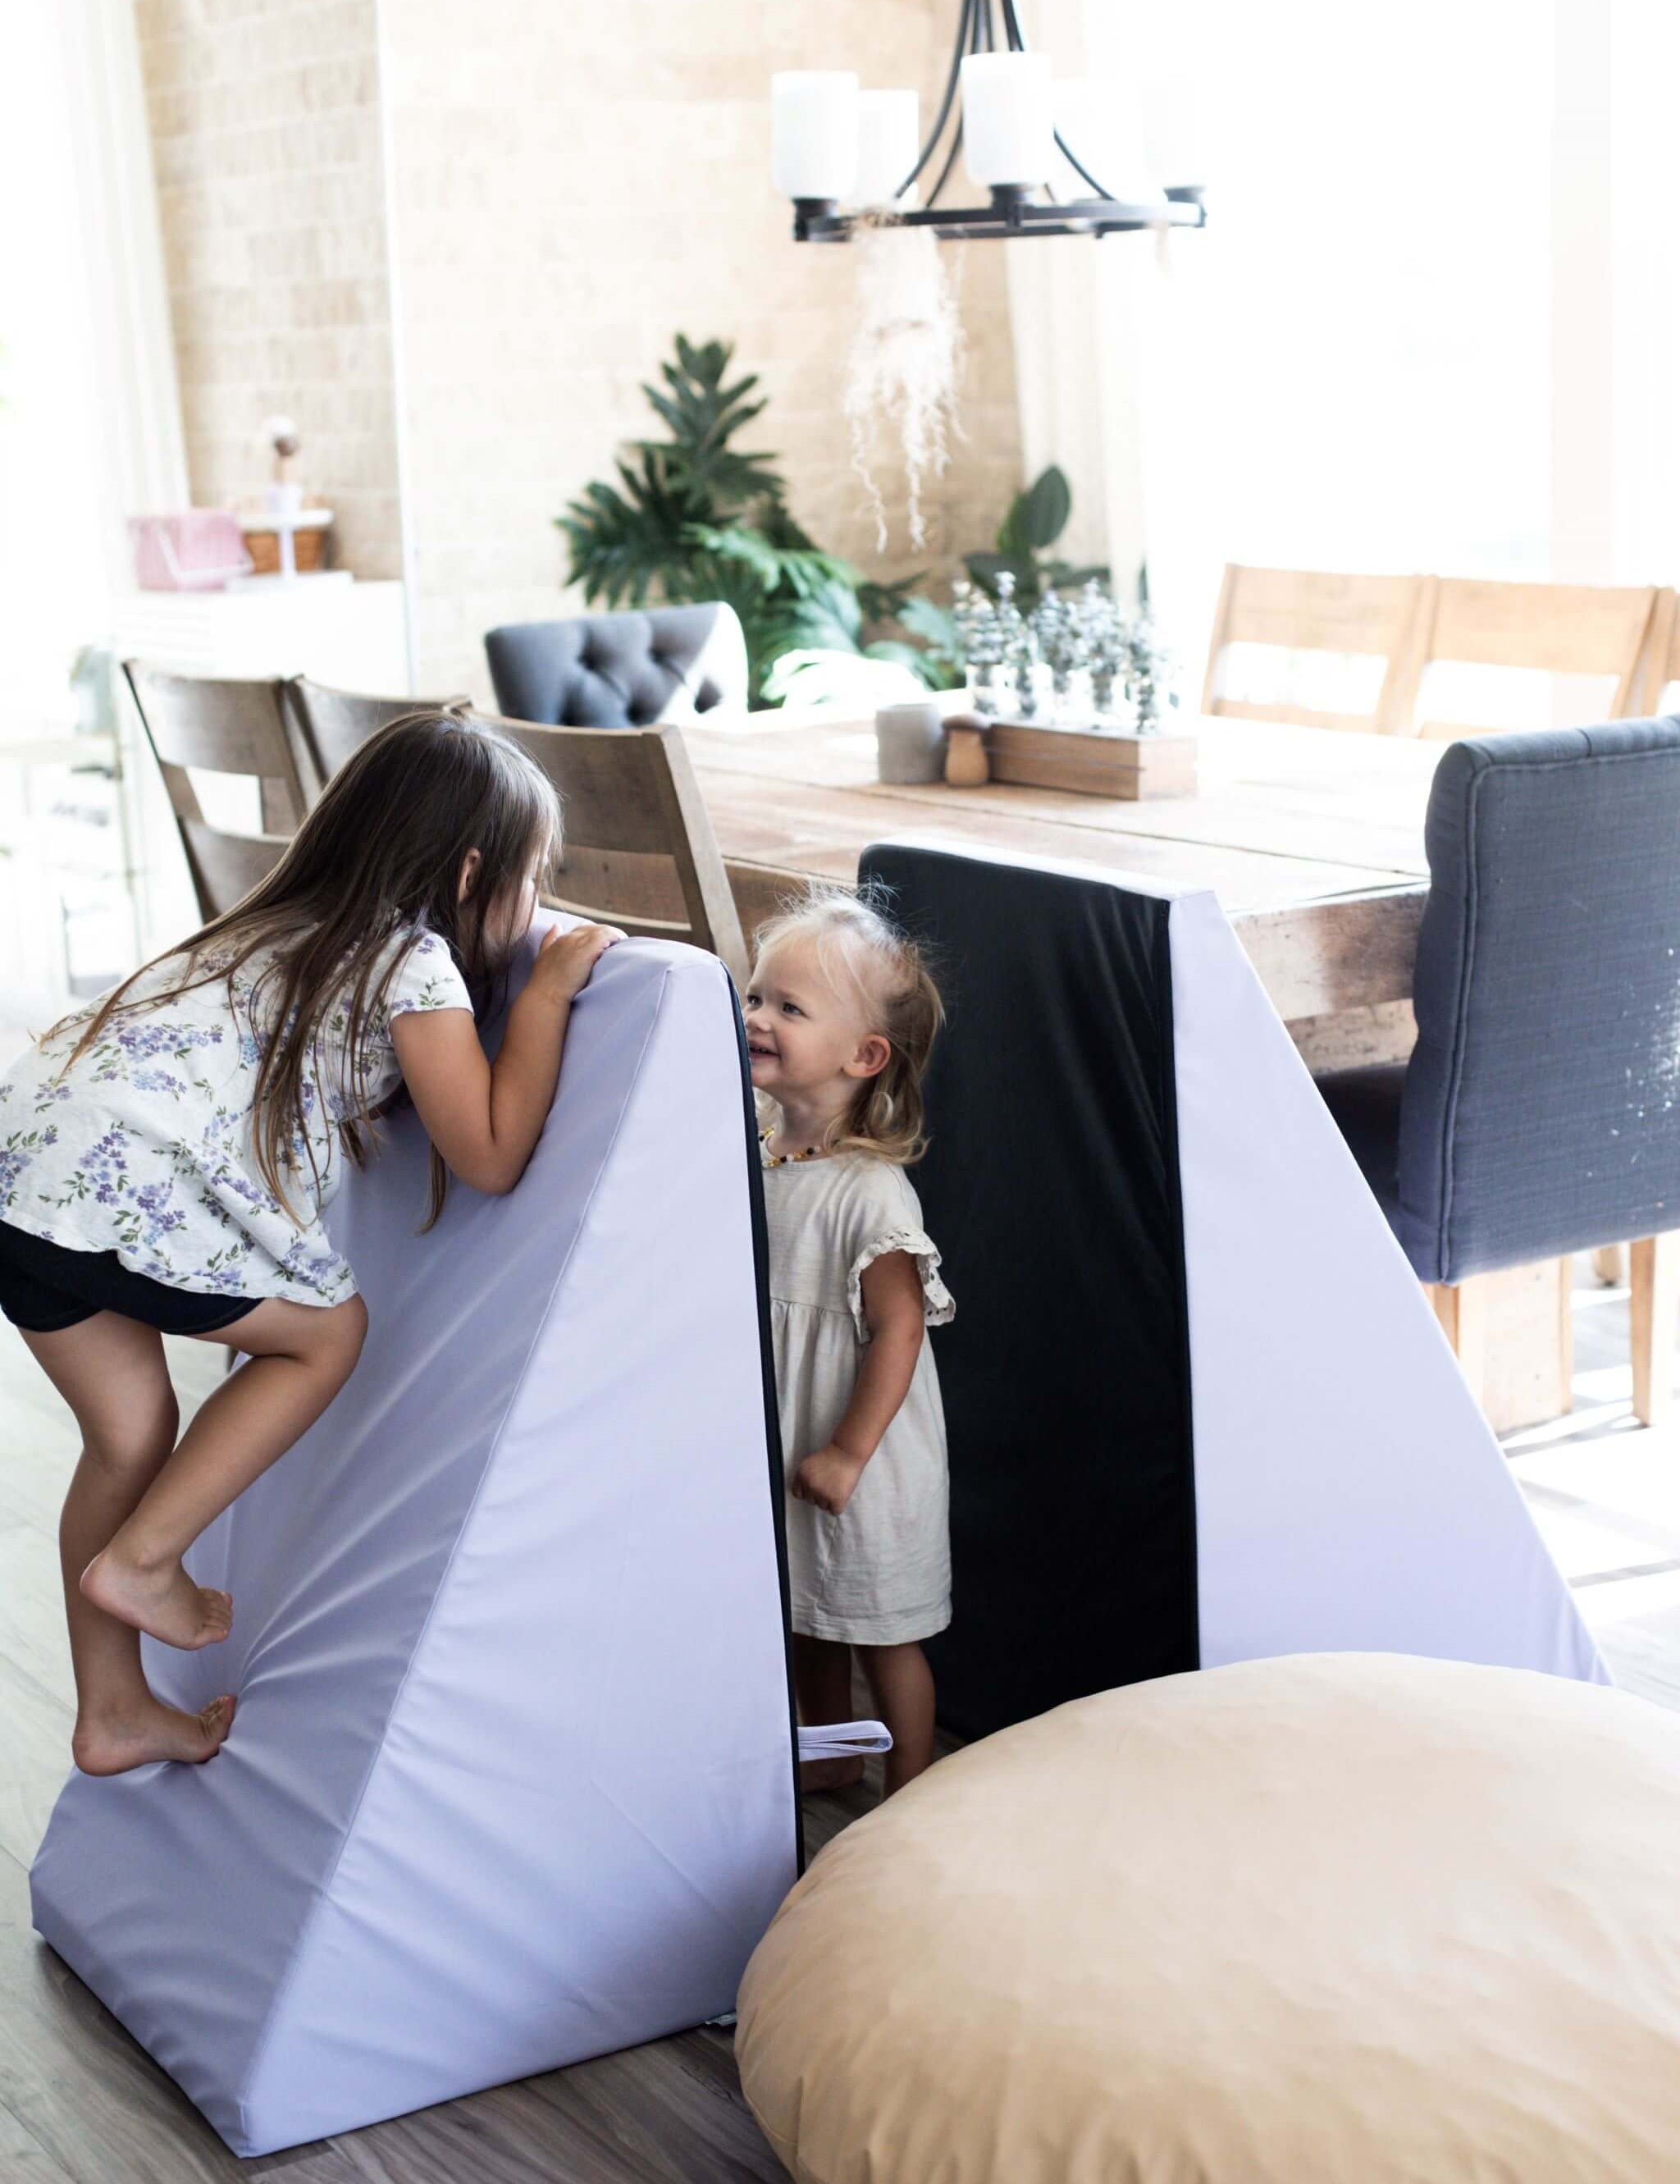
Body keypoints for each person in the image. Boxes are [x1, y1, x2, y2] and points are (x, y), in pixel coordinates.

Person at [0, 710, 620, 1776]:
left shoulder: (276, 922)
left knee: (128, 1441)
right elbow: (490, 1150)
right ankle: (147, 1559)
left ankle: (111, 1709)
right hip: (122, 1187)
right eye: (535, 878)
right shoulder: (412, 960)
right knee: (326, 1332)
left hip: (25, 1178)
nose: (535, 913)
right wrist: (551, 991)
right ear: (473, 870)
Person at [744, 889, 952, 1798]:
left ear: (863, 1056)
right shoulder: (753, 1151)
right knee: (803, 1615)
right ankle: (828, 1764)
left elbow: (899, 1327)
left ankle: (911, 1776)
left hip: (856, 1448)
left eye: (788, 1007)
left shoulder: (868, 1191)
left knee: (875, 1625)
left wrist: (846, 1451)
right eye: (755, 995)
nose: (756, 1016)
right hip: (787, 1432)